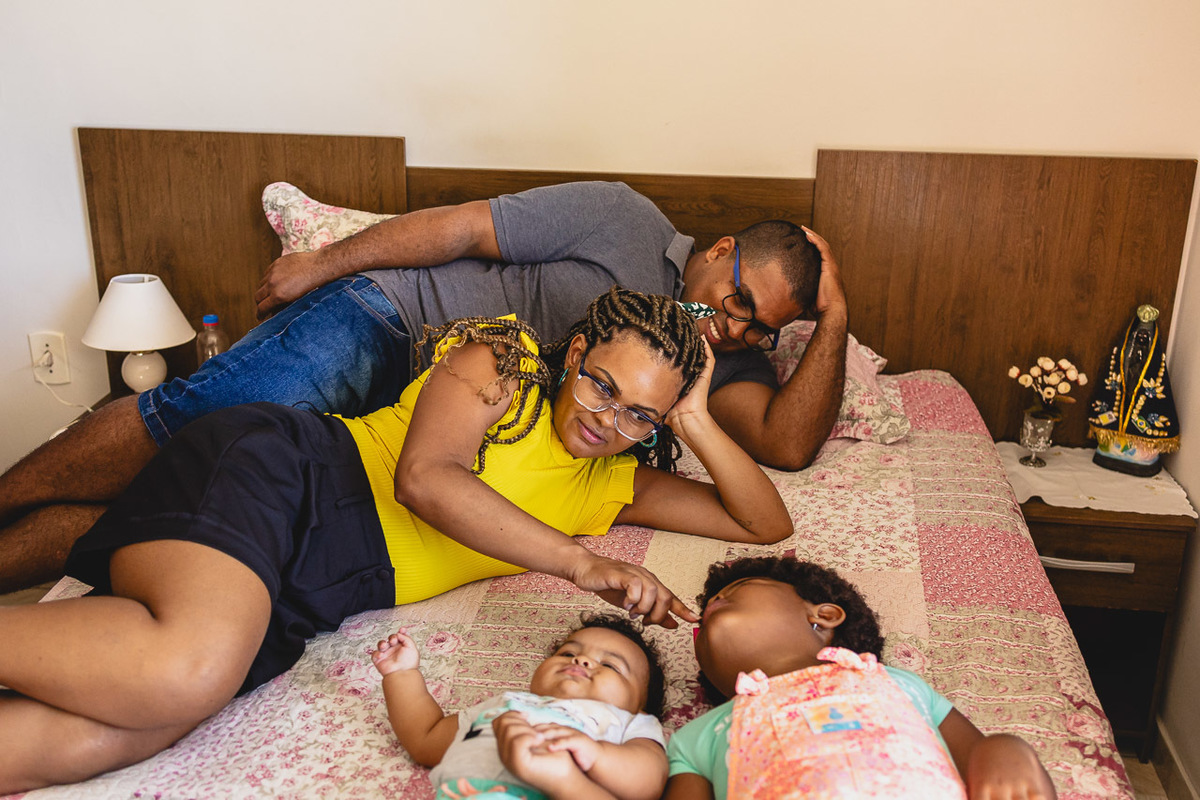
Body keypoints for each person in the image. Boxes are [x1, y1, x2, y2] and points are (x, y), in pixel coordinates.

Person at [0, 289, 792, 794]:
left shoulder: (611, 479)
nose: (606, 419)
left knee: (104, 732)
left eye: (637, 416)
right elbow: (426, 477)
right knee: (188, 671)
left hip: (308, 592)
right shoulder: (505, 362)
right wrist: (578, 560)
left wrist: (690, 416)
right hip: (291, 478)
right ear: (576, 353)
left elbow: (765, 522)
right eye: (601, 385)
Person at [0, 180, 846, 595]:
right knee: (187, 424)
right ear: (720, 248)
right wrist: (323, 265)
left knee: (172, 505)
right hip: (391, 325)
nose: (734, 325)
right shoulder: (624, 219)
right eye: (737, 300)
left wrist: (833, 319)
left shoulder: (711, 363)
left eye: (759, 327)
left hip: (460, 429)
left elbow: (784, 450)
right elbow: (461, 227)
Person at [664, 556, 1058, 800]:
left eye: (739, 589)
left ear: (825, 615)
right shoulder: (699, 737)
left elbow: (976, 752)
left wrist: (1006, 751)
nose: (712, 604)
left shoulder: (898, 685)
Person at [371, 613, 668, 800]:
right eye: (567, 653)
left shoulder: (631, 723)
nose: (582, 660)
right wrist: (402, 674)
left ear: (640, 706)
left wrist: (596, 754)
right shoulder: (505, 705)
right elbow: (426, 737)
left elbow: (650, 782)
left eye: (610, 665)